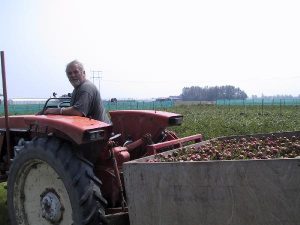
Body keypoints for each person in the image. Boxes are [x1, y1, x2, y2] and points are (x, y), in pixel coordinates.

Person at [44, 60, 111, 124]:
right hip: (89, 128)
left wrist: (55, 110)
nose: (72, 75)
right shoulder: (77, 88)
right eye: (69, 73)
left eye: (76, 72)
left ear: (83, 73)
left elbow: (78, 111)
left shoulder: (86, 87)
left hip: (98, 131)